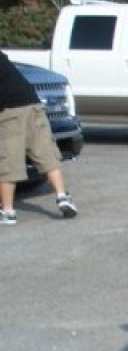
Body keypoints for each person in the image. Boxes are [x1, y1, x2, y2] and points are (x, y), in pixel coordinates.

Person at [0, 49, 77, 225]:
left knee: (8, 161)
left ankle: (8, 211)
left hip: (9, 110)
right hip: (33, 104)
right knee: (45, 152)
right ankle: (62, 197)